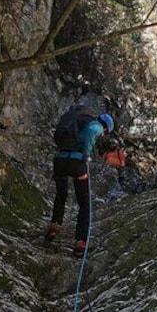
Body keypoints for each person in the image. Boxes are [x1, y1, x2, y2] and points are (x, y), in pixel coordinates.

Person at [44, 109, 119, 257]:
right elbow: (92, 131)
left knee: (61, 194)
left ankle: (54, 227)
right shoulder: (95, 125)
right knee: (84, 203)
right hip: (76, 163)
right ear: (106, 127)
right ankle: (80, 243)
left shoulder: (76, 123)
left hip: (59, 160)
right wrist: (86, 154)